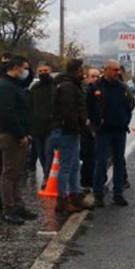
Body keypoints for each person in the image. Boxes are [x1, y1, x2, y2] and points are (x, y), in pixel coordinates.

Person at [0, 55, 37, 224]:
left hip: (18, 135)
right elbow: (7, 113)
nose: (26, 71)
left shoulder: (14, 85)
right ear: (15, 67)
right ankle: (8, 208)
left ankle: (17, 205)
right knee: (9, 173)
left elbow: (27, 83)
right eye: (24, 68)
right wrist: (20, 134)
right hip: (11, 135)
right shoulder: (5, 88)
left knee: (17, 173)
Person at [87, 59, 132, 207]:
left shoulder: (122, 87)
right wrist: (97, 121)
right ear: (105, 70)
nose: (117, 72)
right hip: (103, 131)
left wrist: (125, 120)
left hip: (119, 130)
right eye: (114, 70)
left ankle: (117, 194)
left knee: (119, 162)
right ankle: (98, 194)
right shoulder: (95, 87)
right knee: (101, 162)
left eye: (118, 70)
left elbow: (129, 105)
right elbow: (89, 107)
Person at [51, 59, 90, 213]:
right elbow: (68, 110)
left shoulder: (71, 84)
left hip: (71, 130)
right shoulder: (68, 86)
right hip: (67, 130)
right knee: (66, 167)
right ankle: (62, 199)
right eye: (82, 69)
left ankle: (75, 195)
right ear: (78, 70)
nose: (83, 72)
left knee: (74, 166)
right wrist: (75, 127)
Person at [28, 61, 55, 183]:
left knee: (48, 152)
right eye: (41, 71)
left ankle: (48, 176)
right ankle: (46, 173)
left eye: (45, 71)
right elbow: (30, 107)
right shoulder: (34, 88)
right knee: (41, 154)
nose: (43, 73)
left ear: (50, 71)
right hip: (37, 127)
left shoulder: (55, 86)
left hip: (51, 126)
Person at [79, 66, 101, 191]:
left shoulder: (103, 90)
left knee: (100, 156)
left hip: (100, 128)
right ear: (86, 78)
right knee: (87, 156)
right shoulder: (83, 91)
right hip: (86, 129)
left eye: (98, 76)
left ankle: (98, 181)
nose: (95, 79)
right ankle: (86, 182)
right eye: (93, 76)